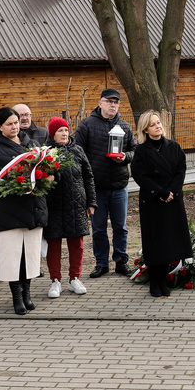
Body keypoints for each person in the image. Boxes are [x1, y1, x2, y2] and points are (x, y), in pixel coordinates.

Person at [0, 107, 48, 315]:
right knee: (13, 257)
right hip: (8, 209)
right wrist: (10, 183)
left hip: (33, 207)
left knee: (30, 256)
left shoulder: (31, 143)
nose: (14, 127)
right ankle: (16, 297)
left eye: (16, 122)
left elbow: (44, 168)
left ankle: (27, 294)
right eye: (9, 124)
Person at [74, 88, 136, 278]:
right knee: (99, 228)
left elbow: (135, 151)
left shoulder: (124, 127)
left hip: (119, 185)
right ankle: (101, 263)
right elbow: (77, 153)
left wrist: (125, 157)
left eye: (116, 102)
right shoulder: (87, 125)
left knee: (121, 227)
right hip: (96, 188)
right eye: (109, 101)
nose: (113, 105)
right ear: (100, 103)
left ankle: (121, 261)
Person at [131, 110, 192, 298]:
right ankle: (154, 281)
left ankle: (163, 279)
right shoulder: (141, 151)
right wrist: (160, 192)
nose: (158, 126)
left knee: (169, 241)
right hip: (152, 202)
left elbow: (180, 170)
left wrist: (172, 191)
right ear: (145, 130)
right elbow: (140, 175)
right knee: (154, 241)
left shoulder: (174, 147)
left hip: (172, 200)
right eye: (153, 124)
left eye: (159, 123)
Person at [43, 117, 96, 298]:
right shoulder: (45, 152)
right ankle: (55, 281)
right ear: (52, 134)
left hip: (76, 205)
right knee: (54, 245)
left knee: (77, 245)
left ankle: (75, 278)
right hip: (54, 206)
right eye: (60, 131)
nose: (64, 134)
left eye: (66, 130)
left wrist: (91, 202)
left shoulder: (78, 150)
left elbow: (88, 177)